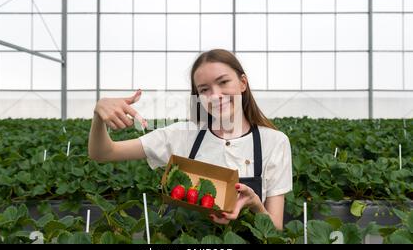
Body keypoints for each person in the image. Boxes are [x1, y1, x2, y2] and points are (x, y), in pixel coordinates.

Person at [88, 49, 292, 230]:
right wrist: (99, 115)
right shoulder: (182, 135)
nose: (215, 95)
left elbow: (275, 229)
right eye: (204, 89)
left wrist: (256, 204)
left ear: (242, 83)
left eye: (223, 82)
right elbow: (103, 153)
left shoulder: (274, 142)